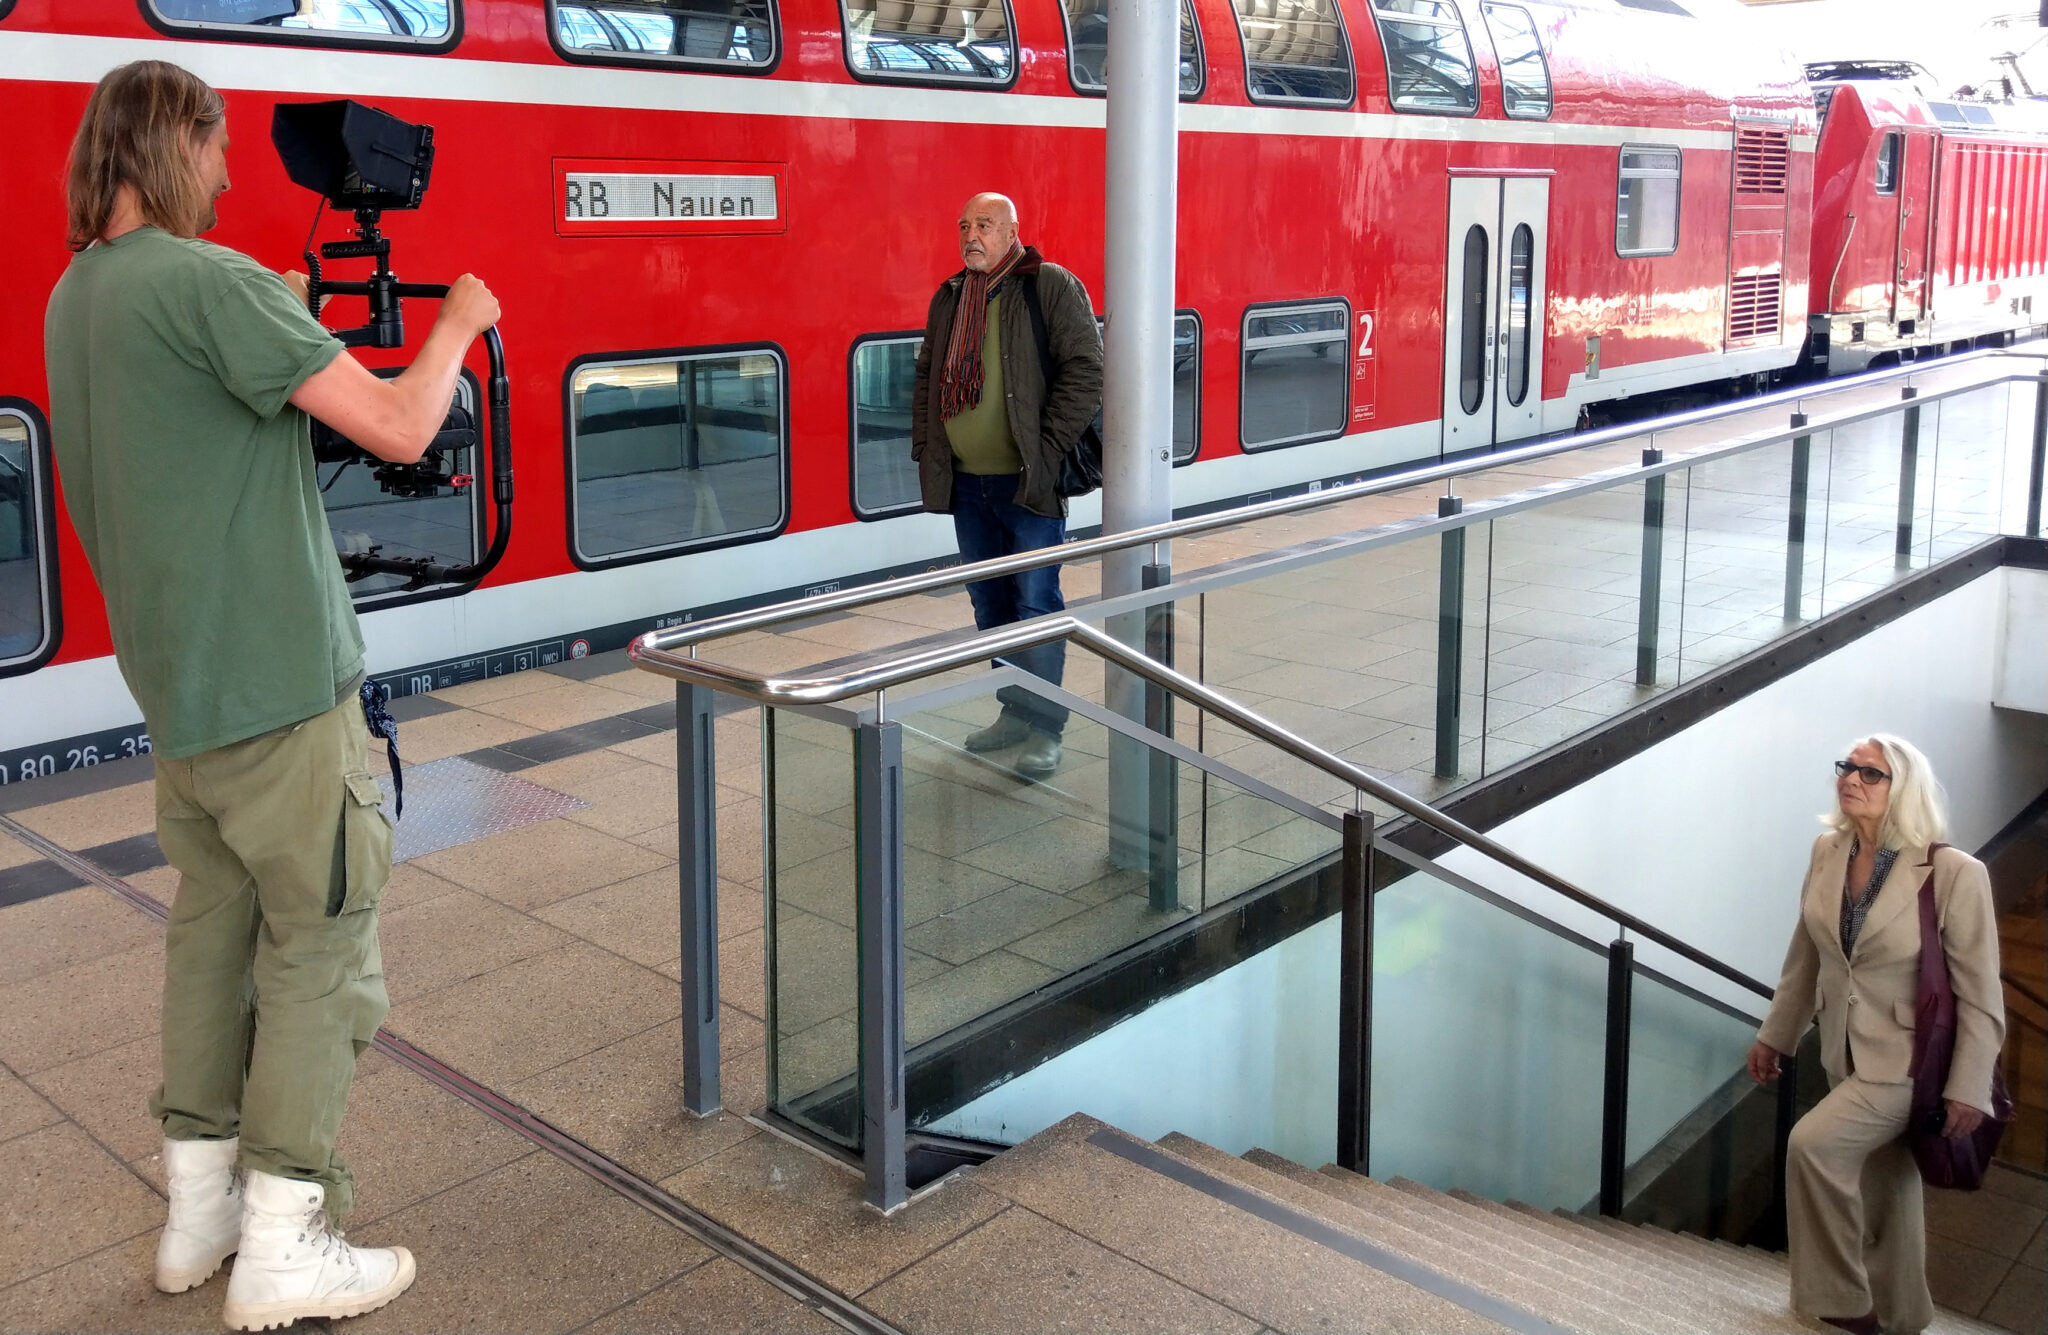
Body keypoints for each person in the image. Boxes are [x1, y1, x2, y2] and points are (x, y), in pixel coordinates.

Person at [43, 61, 499, 1331]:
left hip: (183, 702)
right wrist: (458, 320)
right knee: (321, 949)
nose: (236, 174)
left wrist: (280, 319)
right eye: (220, 146)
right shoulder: (211, 283)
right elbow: (406, 428)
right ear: (172, 143)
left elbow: (202, 437)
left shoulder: (78, 296)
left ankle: (197, 1212)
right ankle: (287, 1238)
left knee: (211, 939)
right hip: (283, 691)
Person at [1747, 735, 2004, 1335]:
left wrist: (1969, 1086)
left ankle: (1842, 1305)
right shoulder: (1828, 850)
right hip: (1843, 1048)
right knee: (1889, 1190)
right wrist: (1777, 1035)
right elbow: (1807, 954)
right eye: (1847, 767)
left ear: (1904, 789)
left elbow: (1981, 993)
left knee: (1811, 1146)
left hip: (1910, 1065)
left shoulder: (1954, 872)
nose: (1852, 778)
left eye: (1871, 773)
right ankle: (1903, 1316)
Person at [911, 191, 1103, 779]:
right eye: (964, 224)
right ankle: (1015, 712)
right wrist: (927, 443)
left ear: (1013, 230)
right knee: (989, 603)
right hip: (968, 485)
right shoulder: (950, 297)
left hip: (1028, 485)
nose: (972, 234)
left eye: (985, 224)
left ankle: (1047, 729)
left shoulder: (1048, 285)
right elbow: (928, 376)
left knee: (1036, 603)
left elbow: (1087, 369)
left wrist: (1045, 453)